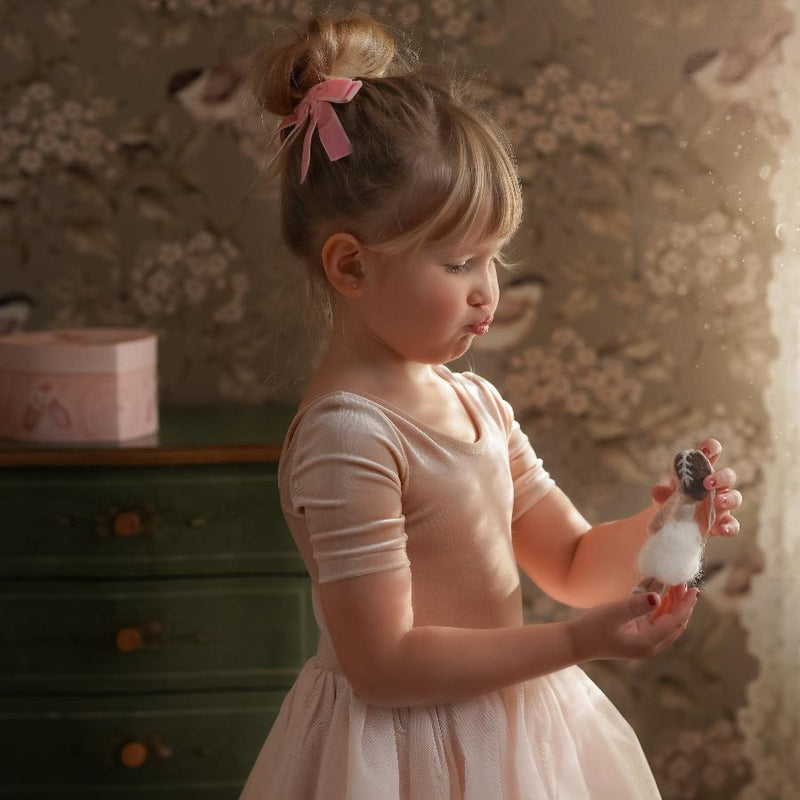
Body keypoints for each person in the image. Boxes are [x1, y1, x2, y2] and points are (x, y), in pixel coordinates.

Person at [239, 10, 742, 799]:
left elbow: (573, 564)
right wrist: (574, 642)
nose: (489, 291)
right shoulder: (348, 438)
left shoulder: (474, 403)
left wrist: (667, 525)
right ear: (350, 266)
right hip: (402, 756)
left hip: (514, 735)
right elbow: (382, 666)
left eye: (495, 257)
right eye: (460, 261)